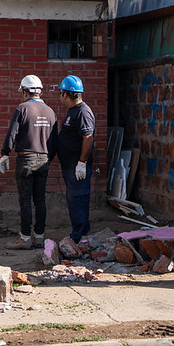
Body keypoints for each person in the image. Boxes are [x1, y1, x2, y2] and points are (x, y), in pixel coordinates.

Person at [0, 75, 58, 250]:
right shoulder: (50, 111)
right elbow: (55, 140)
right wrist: (48, 157)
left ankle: (25, 237)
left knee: (25, 199)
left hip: (26, 159)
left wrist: (5, 153)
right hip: (44, 159)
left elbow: (12, 134)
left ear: (25, 91)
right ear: (39, 91)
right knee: (40, 199)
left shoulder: (22, 109)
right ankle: (39, 237)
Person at [56, 75, 96, 244]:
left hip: (77, 166)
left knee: (78, 198)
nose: (60, 96)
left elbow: (88, 137)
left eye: (61, 93)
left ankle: (79, 236)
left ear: (66, 94)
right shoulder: (74, 111)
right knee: (74, 199)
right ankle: (80, 233)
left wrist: (82, 162)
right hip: (71, 165)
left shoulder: (83, 112)